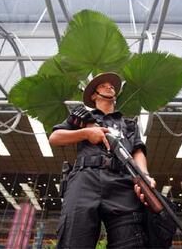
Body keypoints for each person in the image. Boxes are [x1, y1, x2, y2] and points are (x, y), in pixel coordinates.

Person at [49, 72, 156, 248]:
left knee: (132, 241)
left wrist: (144, 175)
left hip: (123, 182)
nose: (109, 86)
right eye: (103, 85)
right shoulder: (82, 117)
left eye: (112, 86)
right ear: (93, 95)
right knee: (73, 239)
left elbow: (138, 151)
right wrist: (86, 133)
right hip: (85, 179)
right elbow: (55, 138)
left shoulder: (129, 124)